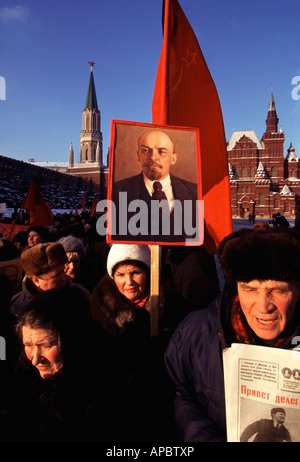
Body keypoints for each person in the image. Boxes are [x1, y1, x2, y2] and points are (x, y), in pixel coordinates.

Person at [164, 227, 300, 442]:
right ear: (235, 287)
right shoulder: (195, 333)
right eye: (250, 289)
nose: (263, 307)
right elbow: (179, 394)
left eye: (278, 290)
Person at [0, 286, 117, 442]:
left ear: (73, 341)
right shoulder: (23, 380)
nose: (35, 359)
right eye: (28, 344)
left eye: (46, 345)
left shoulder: (109, 385)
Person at [91, 243, 177, 441]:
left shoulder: (170, 308)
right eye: (120, 274)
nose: (128, 281)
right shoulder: (101, 311)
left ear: (148, 272)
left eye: (135, 272)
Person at [112, 129, 198, 243]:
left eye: (161, 151)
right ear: (138, 155)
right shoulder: (117, 191)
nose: (153, 157)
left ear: (173, 158)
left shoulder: (194, 191)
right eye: (145, 150)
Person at [10, 242, 91, 317]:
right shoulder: (17, 308)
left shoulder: (81, 295)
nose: (64, 278)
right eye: (57, 275)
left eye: (63, 271)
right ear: (36, 281)